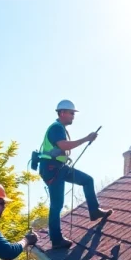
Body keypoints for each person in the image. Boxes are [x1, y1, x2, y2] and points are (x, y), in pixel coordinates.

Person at [37, 99, 111, 249]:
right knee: (57, 204)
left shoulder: (59, 128)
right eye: (71, 113)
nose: (73, 116)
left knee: (87, 180)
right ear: (62, 113)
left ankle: (94, 211)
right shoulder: (56, 128)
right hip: (52, 168)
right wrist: (86, 139)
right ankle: (56, 240)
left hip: (58, 168)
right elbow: (63, 145)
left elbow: (61, 148)